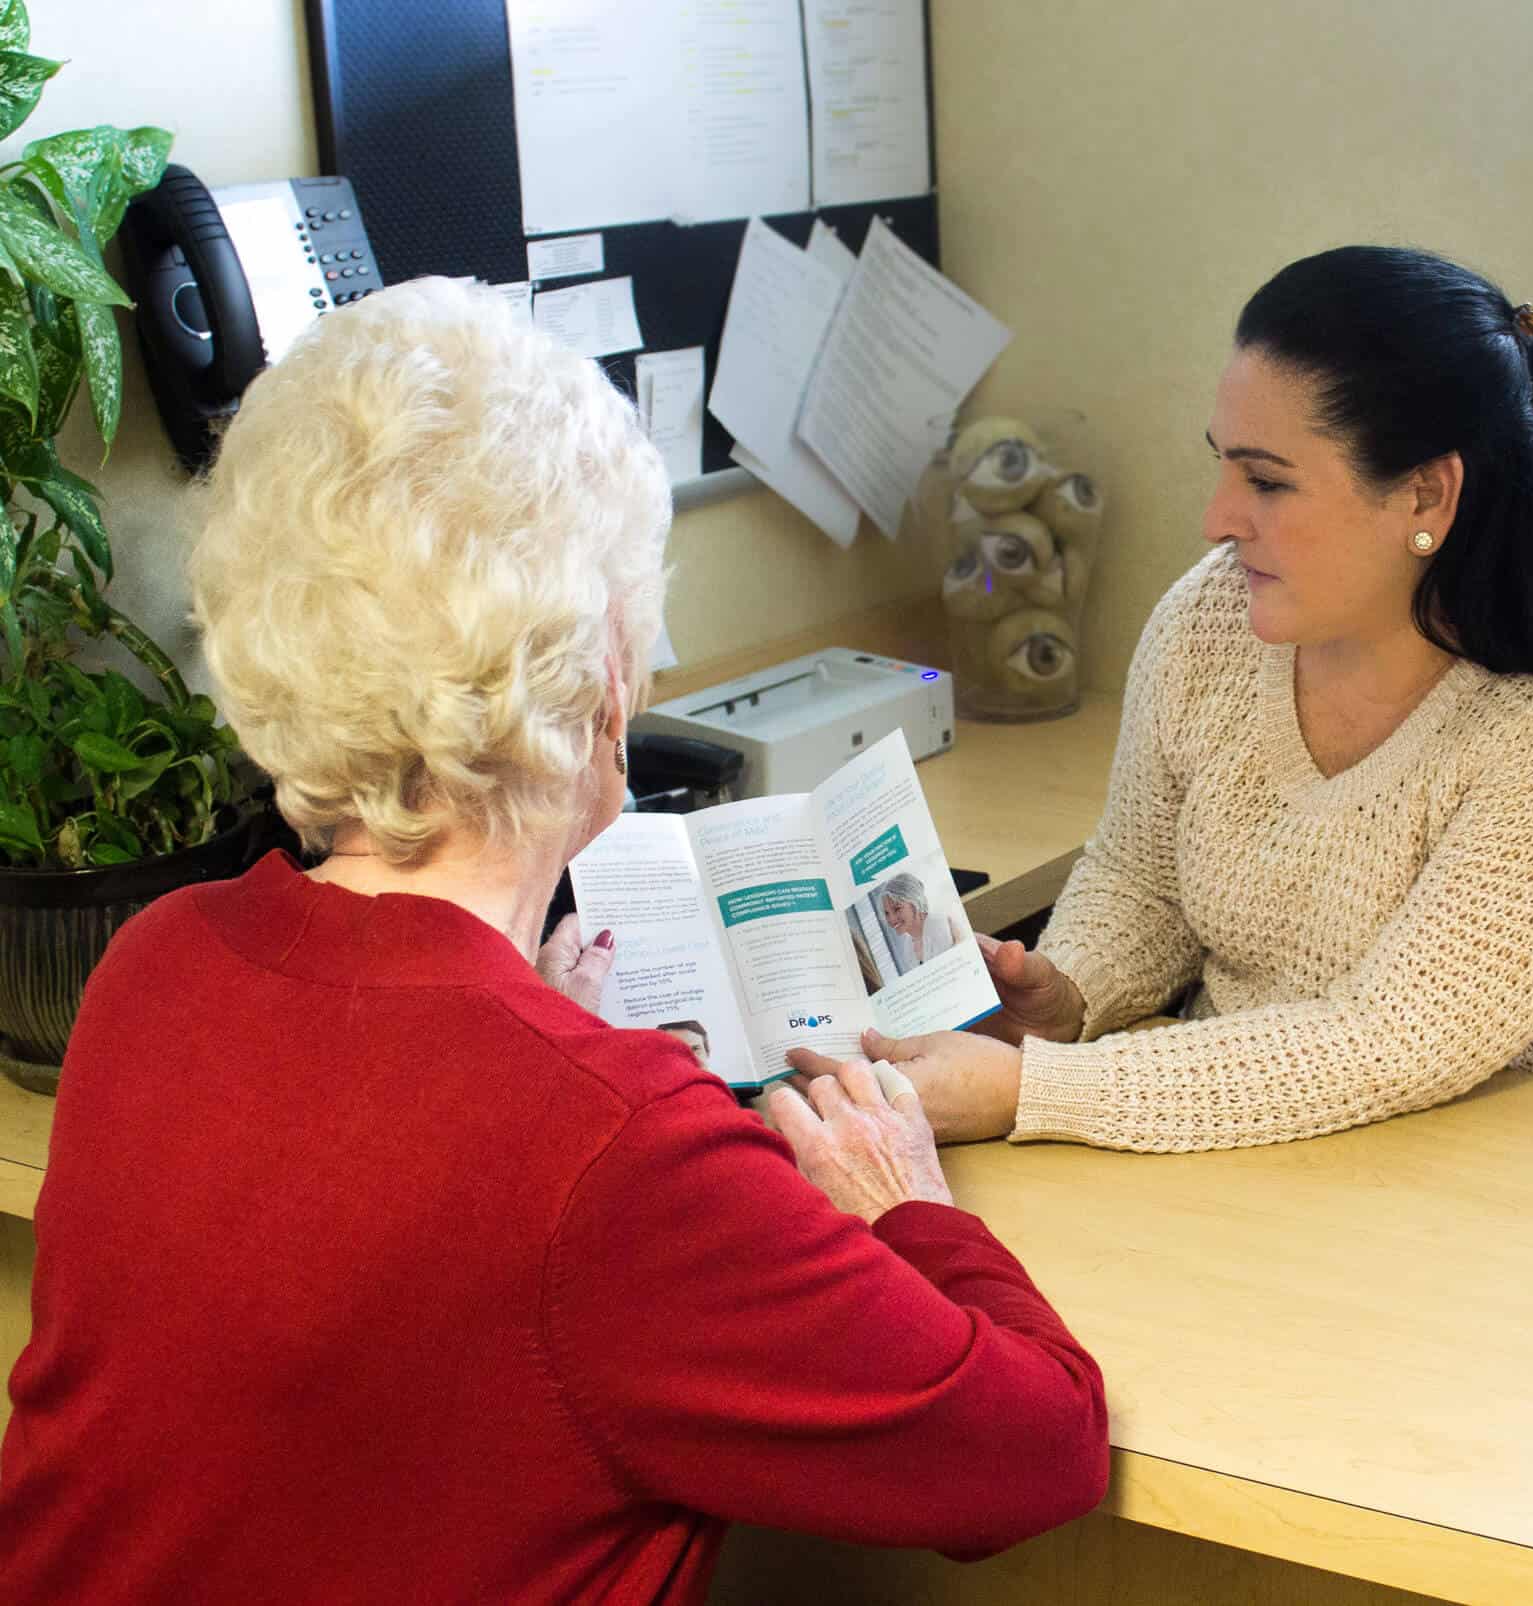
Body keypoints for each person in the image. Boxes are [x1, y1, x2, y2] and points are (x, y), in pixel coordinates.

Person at [0, 278, 1107, 1604]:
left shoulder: (154, 964)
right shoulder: (613, 1149)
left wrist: (529, 1022)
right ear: (605, 690)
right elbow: (1036, 1450)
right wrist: (902, 1197)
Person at [792, 245, 1533, 1153]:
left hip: (1471, 1187)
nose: (1218, 517)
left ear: (1425, 492)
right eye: (1224, 466)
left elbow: (1384, 1043)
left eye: (1266, 480)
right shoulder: (1214, 615)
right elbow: (1144, 876)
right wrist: (1067, 995)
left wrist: (1034, 1089)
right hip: (1222, 1157)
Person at [876, 870, 964, 970]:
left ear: (914, 901)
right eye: (886, 913)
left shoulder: (938, 924)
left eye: (897, 909)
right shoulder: (908, 947)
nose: (891, 919)